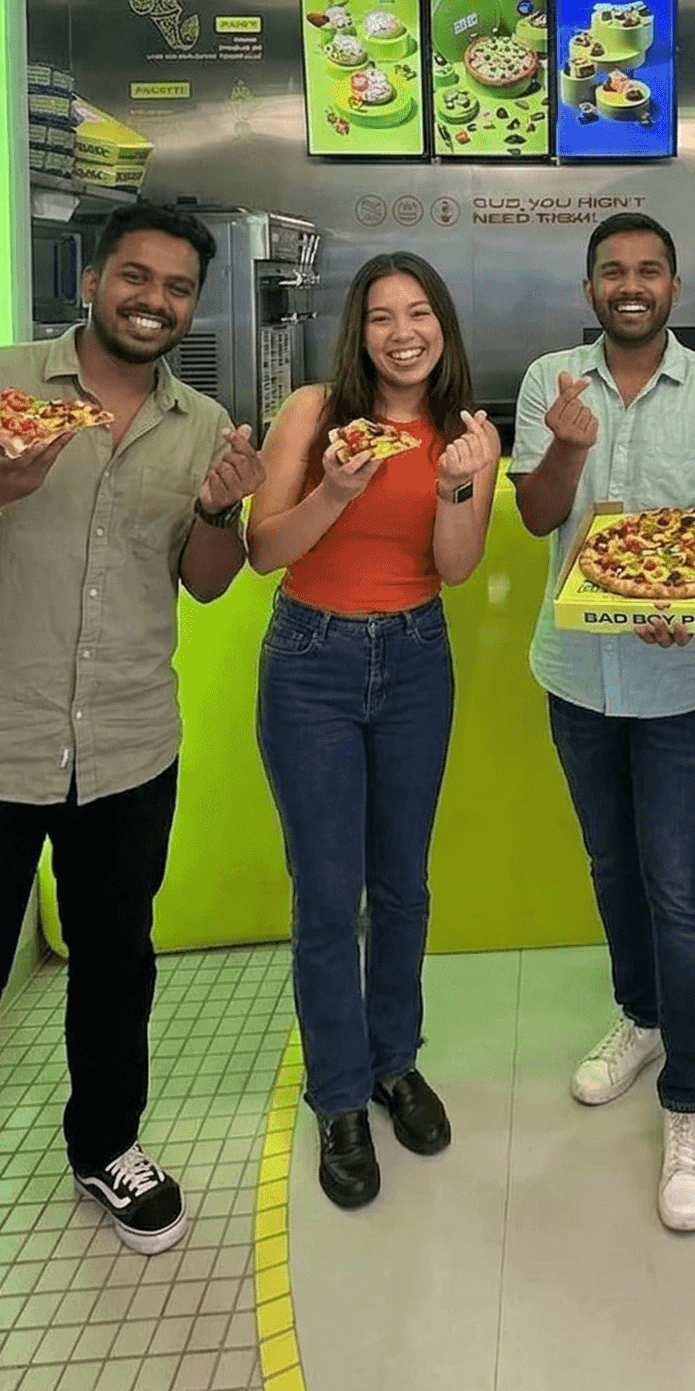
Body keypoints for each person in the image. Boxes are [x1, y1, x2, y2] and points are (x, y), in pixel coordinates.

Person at [0, 201, 264, 1391]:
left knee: (118, 962)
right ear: (91, 280)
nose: (154, 299)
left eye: (177, 286)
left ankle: (106, 1145)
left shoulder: (200, 428)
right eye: (134, 276)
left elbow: (204, 585)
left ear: (193, 303)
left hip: (128, 748)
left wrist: (220, 510)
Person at [511, 213, 695, 1233]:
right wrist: (567, 453)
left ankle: (692, 1099)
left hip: (677, 682)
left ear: (672, 283)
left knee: (676, 882)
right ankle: (643, 1018)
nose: (629, 284)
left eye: (647, 269)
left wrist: (694, 604)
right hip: (573, 670)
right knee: (610, 867)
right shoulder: (548, 383)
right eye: (611, 271)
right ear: (589, 289)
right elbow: (536, 517)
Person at [247, 253, 498, 1210]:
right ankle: (341, 1096)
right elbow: (266, 549)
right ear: (358, 332)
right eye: (382, 316)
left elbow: (457, 569)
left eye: (420, 312)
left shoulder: (463, 434)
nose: (403, 332)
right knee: (326, 894)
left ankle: (395, 1063)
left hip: (416, 660)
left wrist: (459, 488)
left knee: (401, 886)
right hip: (311, 662)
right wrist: (337, 491)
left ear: (443, 328)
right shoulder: (314, 413)